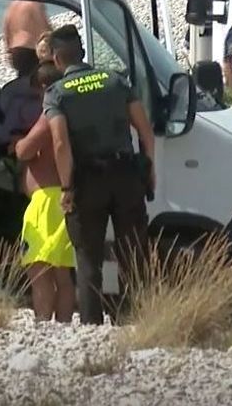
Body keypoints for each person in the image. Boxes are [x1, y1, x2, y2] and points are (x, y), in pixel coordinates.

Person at [43, 25, 155, 326]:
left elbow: (60, 143)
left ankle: (92, 327)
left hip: (88, 181)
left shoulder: (57, 94)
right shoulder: (115, 81)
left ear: (56, 59)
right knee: (133, 253)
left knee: (88, 257)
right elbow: (144, 130)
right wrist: (149, 167)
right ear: (82, 52)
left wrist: (66, 186)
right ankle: (135, 319)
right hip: (126, 175)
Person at [13, 61, 76, 322]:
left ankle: (43, 325)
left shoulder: (50, 111)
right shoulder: (71, 112)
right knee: (62, 273)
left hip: (46, 203)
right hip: (62, 197)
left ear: (42, 87)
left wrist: (17, 144)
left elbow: (25, 150)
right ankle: (62, 326)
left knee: (38, 270)